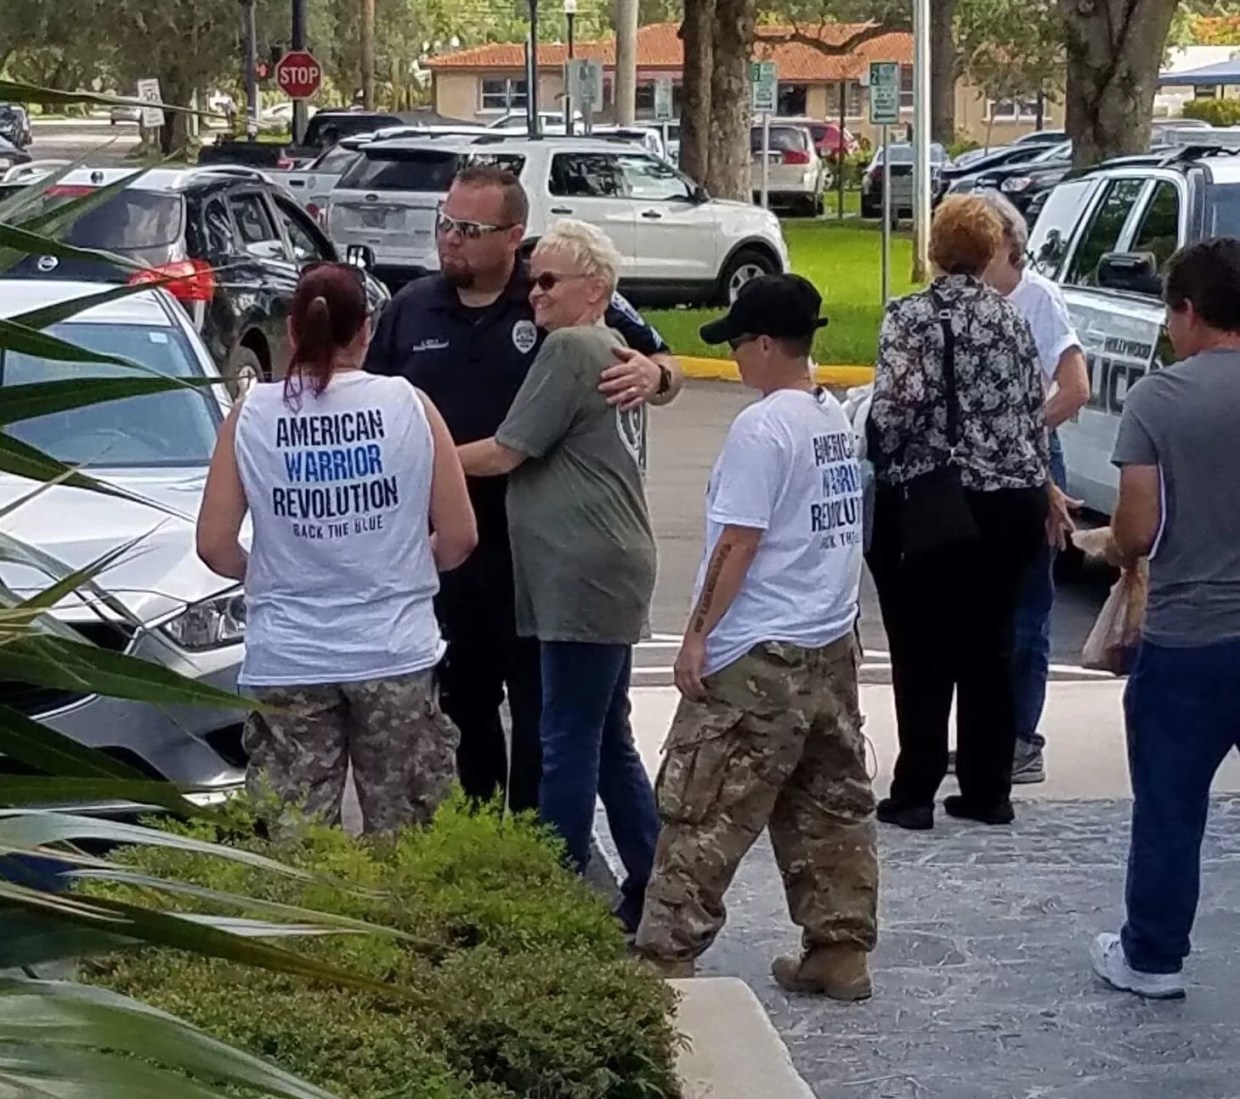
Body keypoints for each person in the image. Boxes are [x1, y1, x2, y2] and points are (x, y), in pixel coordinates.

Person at [364, 165, 682, 815]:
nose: (450, 239)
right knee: (464, 701)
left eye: (469, 229)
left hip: (541, 550)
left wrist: (656, 374)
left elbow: (662, 358)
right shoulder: (411, 307)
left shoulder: (551, 291)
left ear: (515, 236)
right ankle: (485, 841)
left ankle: (540, 846)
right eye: (445, 224)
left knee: (547, 714)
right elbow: (372, 406)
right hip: (451, 545)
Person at [635, 274, 878, 1001]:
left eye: (740, 343)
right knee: (830, 804)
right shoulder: (829, 414)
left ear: (768, 344)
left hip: (760, 651)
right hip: (828, 644)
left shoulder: (763, 427)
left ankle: (664, 955)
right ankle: (840, 948)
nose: (736, 358)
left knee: (704, 805)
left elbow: (738, 543)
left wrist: (697, 636)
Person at [196, 263, 478, 833]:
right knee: (412, 841)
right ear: (366, 330)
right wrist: (405, 564)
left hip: (289, 657)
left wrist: (269, 575)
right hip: (394, 650)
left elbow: (214, 546)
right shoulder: (410, 405)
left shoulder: (250, 416)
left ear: (293, 332)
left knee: (292, 842)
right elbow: (459, 537)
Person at [455, 219, 660, 933]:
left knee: (566, 739)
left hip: (583, 571)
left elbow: (508, 451)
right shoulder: (610, 347)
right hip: (601, 565)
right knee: (603, 736)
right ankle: (657, 882)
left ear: (595, 289)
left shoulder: (574, 347)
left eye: (547, 281)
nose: (532, 293)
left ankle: (555, 895)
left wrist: (421, 454)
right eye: (530, 280)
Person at [866, 195, 1050, 832]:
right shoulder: (1011, 318)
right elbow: (1033, 405)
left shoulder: (911, 317)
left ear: (935, 249)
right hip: (1015, 502)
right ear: (990, 251)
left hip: (940, 502)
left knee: (922, 649)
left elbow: (895, 408)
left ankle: (914, 790)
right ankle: (987, 790)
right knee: (990, 648)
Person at [1090, 238, 1240, 1001]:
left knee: (1171, 806)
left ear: (1188, 311)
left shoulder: (1159, 399)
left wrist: (1108, 545)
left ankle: (1152, 955)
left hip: (1189, 637)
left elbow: (1138, 531)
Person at [966, 191, 1090, 784]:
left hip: (1033, 459)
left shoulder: (1038, 299)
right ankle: (982, 736)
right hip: (978, 466)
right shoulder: (970, 300)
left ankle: (1020, 737)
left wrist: (1020, 430)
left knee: (1027, 608)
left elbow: (1074, 387)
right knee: (979, 606)